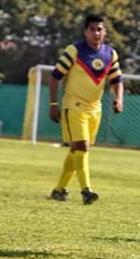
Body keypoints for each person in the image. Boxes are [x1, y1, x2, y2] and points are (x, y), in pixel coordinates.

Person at [48, 14, 123, 204]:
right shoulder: (74, 51)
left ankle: (59, 190)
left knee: (76, 149)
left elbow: (117, 80)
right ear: (85, 32)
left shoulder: (110, 54)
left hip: (95, 109)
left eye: (99, 29)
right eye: (92, 29)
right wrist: (53, 104)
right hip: (74, 106)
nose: (96, 33)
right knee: (82, 146)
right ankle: (86, 191)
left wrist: (118, 99)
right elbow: (55, 76)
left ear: (105, 32)